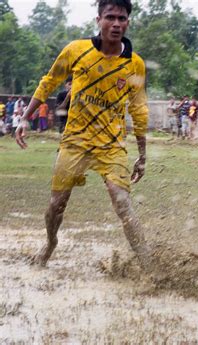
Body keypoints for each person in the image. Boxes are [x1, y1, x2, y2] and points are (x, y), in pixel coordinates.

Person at [15, 0, 155, 271]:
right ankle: (50, 242)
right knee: (56, 205)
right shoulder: (76, 50)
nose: (116, 24)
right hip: (75, 141)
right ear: (98, 20)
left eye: (122, 18)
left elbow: (139, 109)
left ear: (128, 22)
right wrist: (24, 118)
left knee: (123, 203)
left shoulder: (134, 65)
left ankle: (149, 267)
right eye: (110, 17)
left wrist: (143, 154)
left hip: (111, 144)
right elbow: (48, 82)